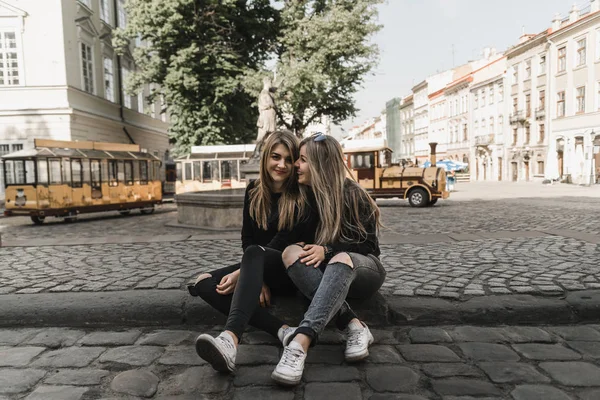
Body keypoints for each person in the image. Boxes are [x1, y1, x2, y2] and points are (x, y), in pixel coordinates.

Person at [188, 130, 315, 373]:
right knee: (202, 283)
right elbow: (247, 240)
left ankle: (230, 339)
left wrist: (255, 275)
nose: (282, 165)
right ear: (266, 157)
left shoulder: (301, 196)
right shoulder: (253, 190)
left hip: (290, 272)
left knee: (254, 256)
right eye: (276, 157)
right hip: (258, 262)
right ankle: (284, 331)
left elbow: (278, 244)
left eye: (289, 160)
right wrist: (252, 276)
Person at [271, 133, 386, 386]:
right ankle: (354, 324)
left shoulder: (354, 194)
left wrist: (329, 251)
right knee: (291, 251)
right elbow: (280, 243)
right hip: (330, 278)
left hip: (363, 270)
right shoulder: (306, 197)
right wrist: (244, 271)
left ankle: (300, 343)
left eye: (302, 160)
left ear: (320, 163)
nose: (295, 166)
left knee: (340, 258)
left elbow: (370, 246)